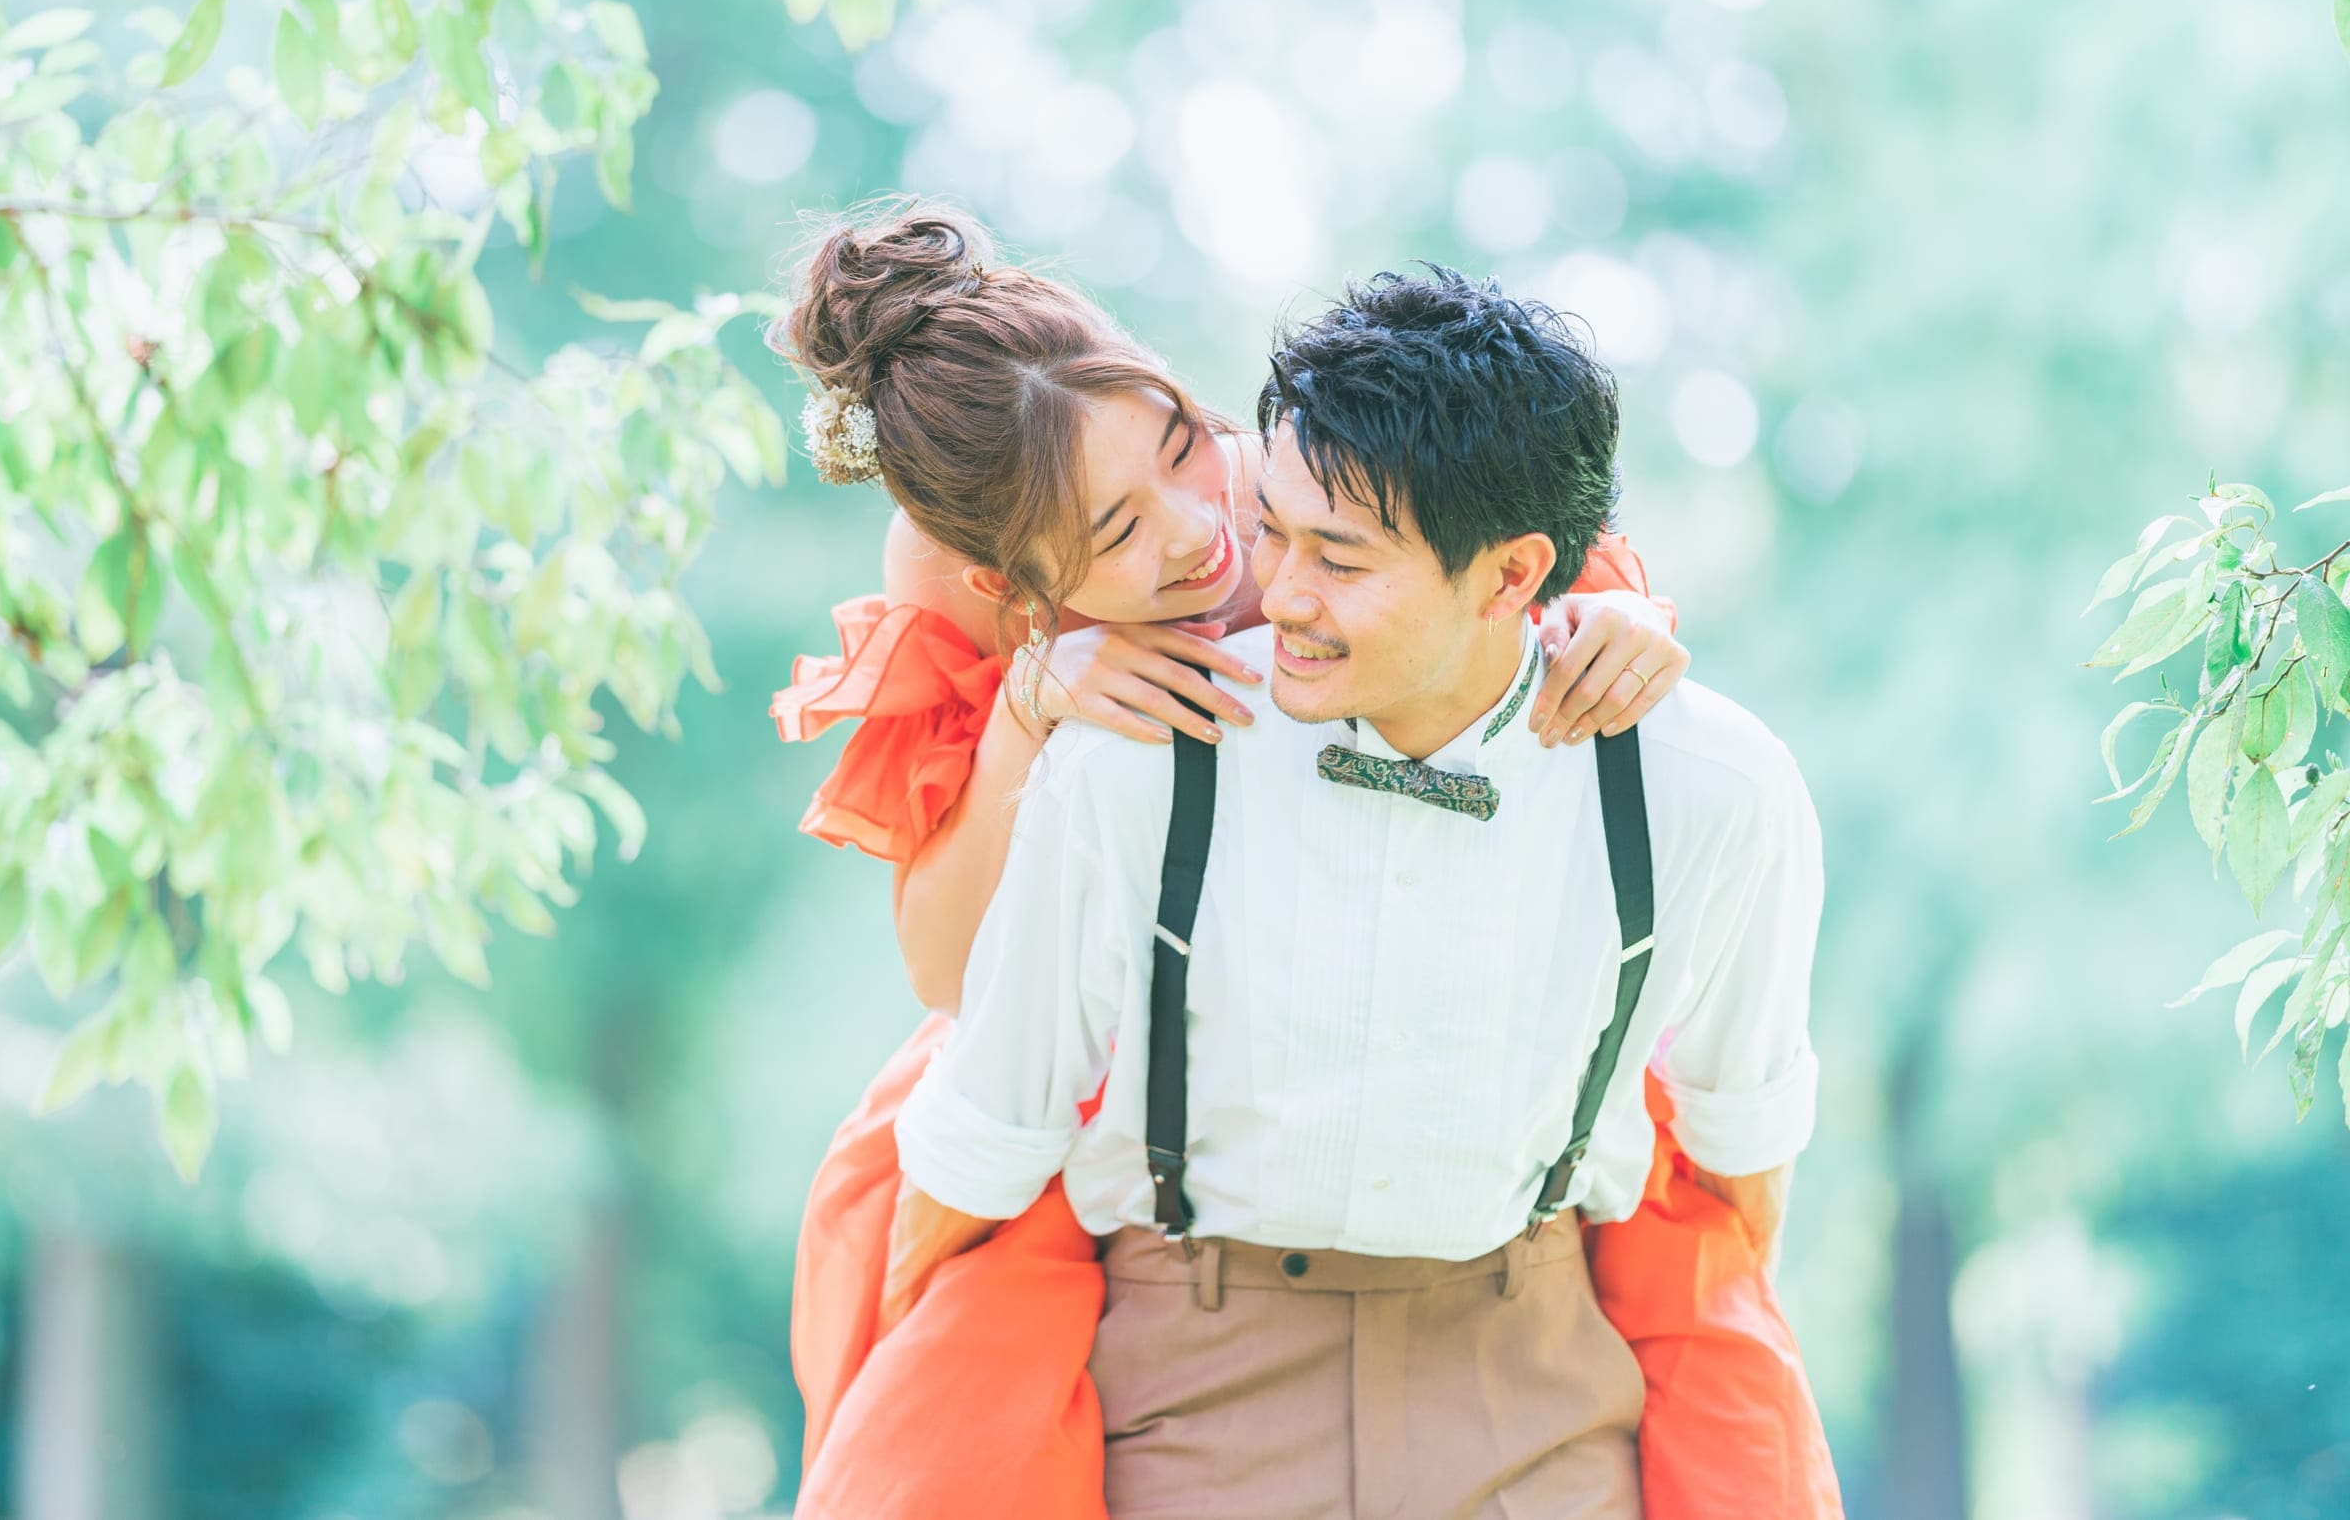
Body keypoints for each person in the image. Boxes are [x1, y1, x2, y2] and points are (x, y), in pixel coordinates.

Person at [771, 204, 1839, 1519]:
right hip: (1116, 1038)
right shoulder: (963, 589)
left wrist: (1611, 614)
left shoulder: (1317, 470)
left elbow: (1497, 557)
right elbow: (951, 973)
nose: (1202, 535)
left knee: (1706, 1330)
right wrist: (1034, 708)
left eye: (1185, 446)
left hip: (1480, 1116)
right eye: (1112, 534)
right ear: (1013, 578)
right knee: (948, 1356)